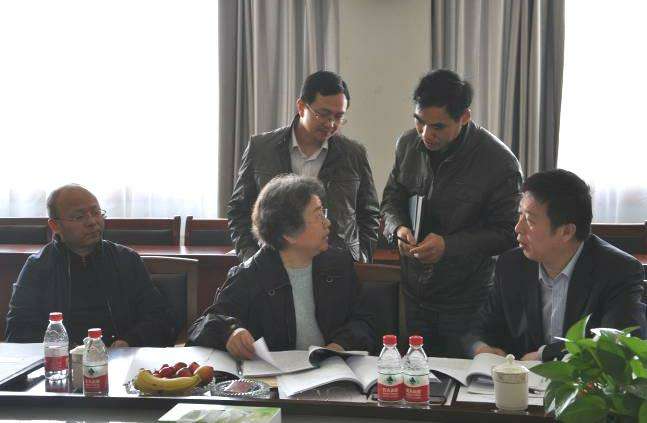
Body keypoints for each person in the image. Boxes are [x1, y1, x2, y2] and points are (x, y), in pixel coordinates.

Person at [381, 69, 522, 358]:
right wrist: (398, 229)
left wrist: (449, 246)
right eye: (419, 122)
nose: (426, 134)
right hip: (413, 293)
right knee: (416, 376)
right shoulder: (407, 145)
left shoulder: (499, 162)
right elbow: (391, 199)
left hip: (466, 299)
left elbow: (509, 233)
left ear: (464, 117)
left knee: (463, 380)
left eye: (438, 126)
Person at [187, 175, 375, 359]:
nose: (328, 223)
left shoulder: (339, 265)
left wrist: (340, 346)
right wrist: (230, 333)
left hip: (334, 370)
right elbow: (201, 326)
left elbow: (365, 320)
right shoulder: (250, 275)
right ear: (289, 234)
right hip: (274, 377)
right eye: (318, 216)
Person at [467, 169, 646, 361]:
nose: (518, 228)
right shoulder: (511, 265)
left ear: (566, 232)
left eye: (529, 220)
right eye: (520, 215)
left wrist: (544, 355)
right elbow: (481, 326)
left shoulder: (618, 270)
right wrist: (481, 347)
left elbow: (619, 343)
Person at [228, 70, 380, 263]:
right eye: (323, 114)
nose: (331, 124)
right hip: (273, 265)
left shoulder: (354, 154)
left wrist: (361, 259)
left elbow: (369, 215)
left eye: (339, 117)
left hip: (338, 266)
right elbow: (239, 211)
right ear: (301, 107)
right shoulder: (261, 149)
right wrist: (251, 259)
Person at [5, 184, 174, 347]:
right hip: (63, 361)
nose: (92, 222)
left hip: (122, 357)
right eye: (79, 217)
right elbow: (18, 330)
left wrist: (129, 342)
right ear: (55, 225)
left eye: (96, 212)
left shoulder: (126, 260)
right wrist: (66, 350)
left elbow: (159, 318)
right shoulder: (38, 266)